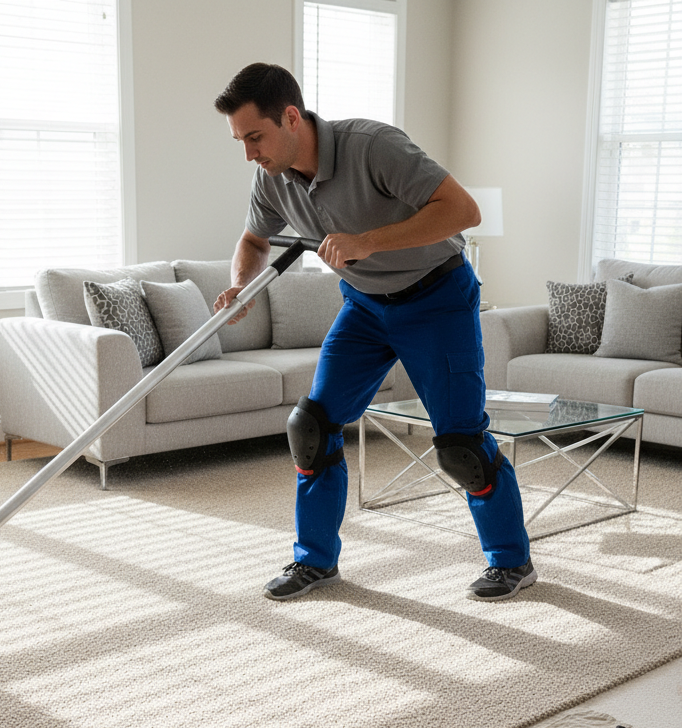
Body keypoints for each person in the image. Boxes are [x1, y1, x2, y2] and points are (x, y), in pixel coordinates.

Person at [212, 63, 534, 603]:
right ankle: (314, 561)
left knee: (461, 446)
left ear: (291, 117)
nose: (249, 153)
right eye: (240, 141)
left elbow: (463, 211)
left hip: (437, 298)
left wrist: (369, 241)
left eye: (255, 137)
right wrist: (241, 286)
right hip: (364, 307)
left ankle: (511, 561)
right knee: (312, 427)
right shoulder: (270, 176)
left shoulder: (372, 146)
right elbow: (253, 240)